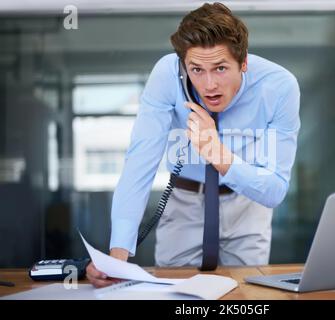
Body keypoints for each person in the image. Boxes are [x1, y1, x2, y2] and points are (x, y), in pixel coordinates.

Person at [87, 2, 300, 288]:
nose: (209, 84)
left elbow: (274, 190)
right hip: (183, 203)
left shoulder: (279, 87)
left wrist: (216, 153)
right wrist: (117, 256)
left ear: (244, 62)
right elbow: (140, 162)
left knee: (247, 295)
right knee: (174, 295)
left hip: (247, 206)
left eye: (221, 68)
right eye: (196, 69)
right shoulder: (166, 75)